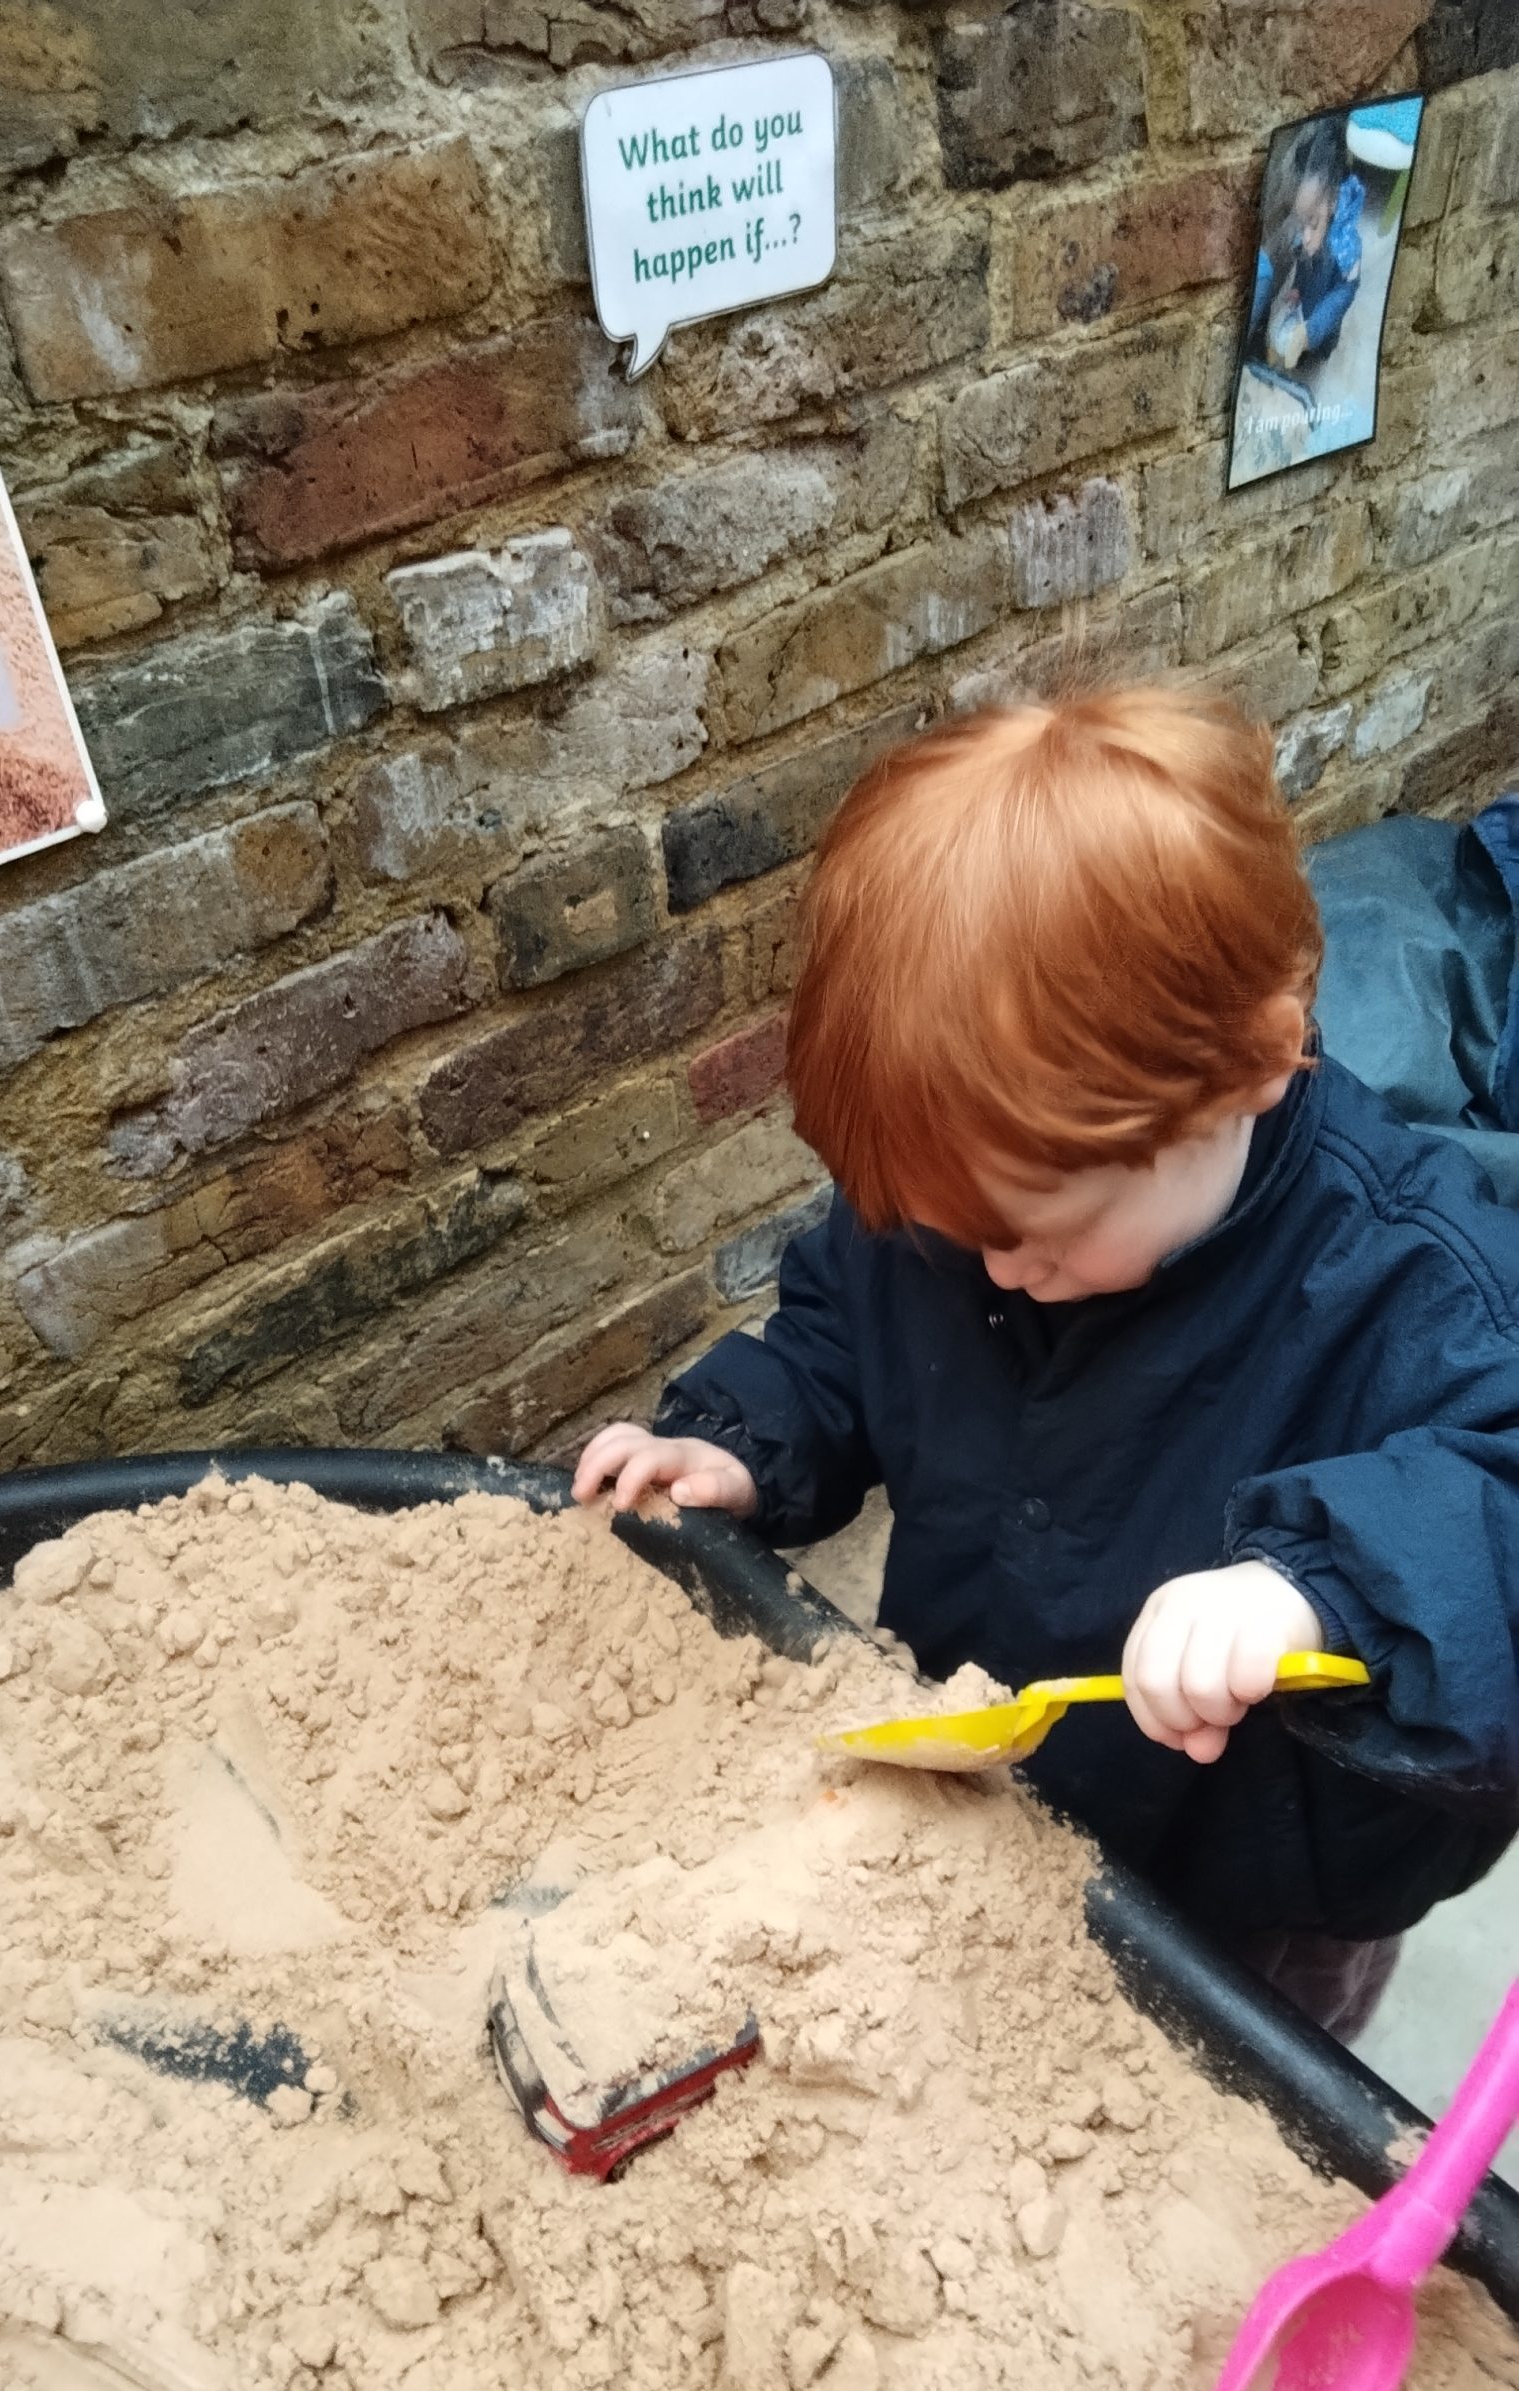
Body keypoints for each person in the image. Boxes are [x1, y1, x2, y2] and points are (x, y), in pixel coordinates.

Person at [574, 686, 1519, 2044]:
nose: (996, 1270)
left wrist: (1319, 1592)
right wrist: (738, 1438)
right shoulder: (979, 1201)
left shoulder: (1424, 1284)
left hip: (1253, 1883)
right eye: (957, 1232)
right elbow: (842, 1333)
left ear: (1254, 1063)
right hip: (997, 1776)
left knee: (1219, 2078)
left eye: (1040, 1233)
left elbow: (1499, 1515)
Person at [1247, 117, 1363, 375]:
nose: (1305, 237)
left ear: (1333, 203)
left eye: (1313, 223)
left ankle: (1315, 350)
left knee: (1314, 352)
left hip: (1321, 323)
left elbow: (1342, 295)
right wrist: (1297, 288)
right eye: (1301, 224)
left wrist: (1311, 332)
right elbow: (1302, 263)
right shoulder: (1305, 235)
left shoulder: (1348, 250)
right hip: (1304, 306)